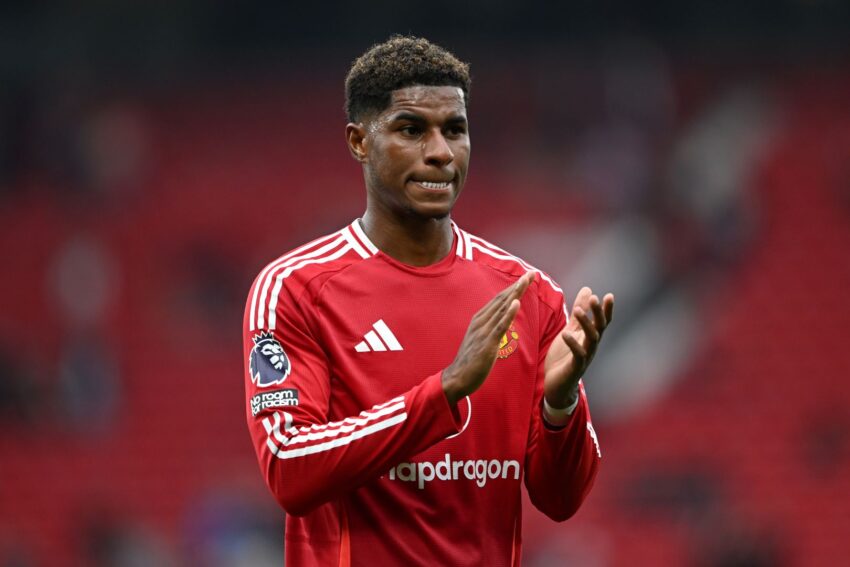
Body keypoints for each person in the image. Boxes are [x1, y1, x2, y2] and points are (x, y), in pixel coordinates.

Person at [242, 35, 615, 566]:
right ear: (359, 142)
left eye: (455, 130)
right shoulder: (296, 289)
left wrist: (561, 406)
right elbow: (288, 467)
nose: (440, 152)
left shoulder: (528, 294)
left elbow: (561, 500)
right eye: (412, 130)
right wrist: (443, 392)